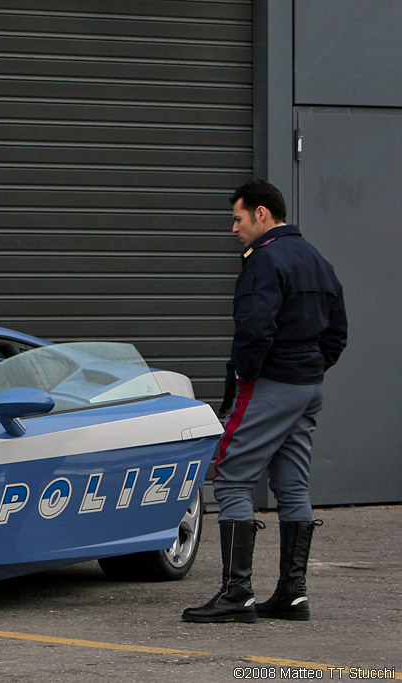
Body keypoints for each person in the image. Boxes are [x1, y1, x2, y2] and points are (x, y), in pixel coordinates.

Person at [182, 180, 347, 624]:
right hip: (307, 386)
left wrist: (249, 373)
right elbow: (337, 333)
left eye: (237, 219)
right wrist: (309, 367)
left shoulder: (265, 261)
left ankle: (237, 594)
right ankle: (293, 595)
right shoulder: (317, 260)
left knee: (233, 477)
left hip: (270, 383)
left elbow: (254, 329)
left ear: (261, 214)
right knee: (292, 485)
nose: (233, 229)